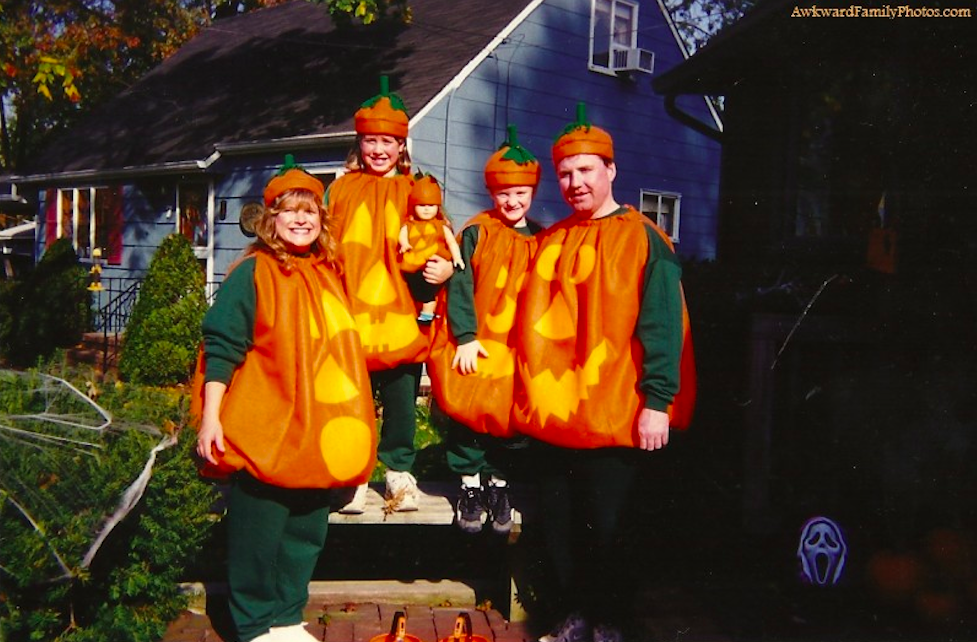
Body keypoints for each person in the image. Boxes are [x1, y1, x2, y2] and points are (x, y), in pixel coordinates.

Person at [513, 104, 696, 642]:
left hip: (618, 412)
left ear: (611, 170)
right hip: (557, 415)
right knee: (561, 526)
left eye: (586, 170)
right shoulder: (550, 240)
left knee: (612, 529)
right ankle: (573, 619)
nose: (574, 182)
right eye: (566, 173)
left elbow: (664, 325)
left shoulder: (644, 240)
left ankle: (610, 624)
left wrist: (657, 402)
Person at [193, 156, 377, 642]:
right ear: (270, 220)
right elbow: (222, 347)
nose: (300, 219)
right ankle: (253, 624)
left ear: (322, 219)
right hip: (265, 428)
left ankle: (286, 617)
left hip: (317, 432)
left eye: (309, 211)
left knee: (304, 533)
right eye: (288, 210)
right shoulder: (251, 274)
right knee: (259, 534)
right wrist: (211, 419)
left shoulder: (328, 273)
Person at [327, 76, 454, 513]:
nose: (379, 150)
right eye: (371, 141)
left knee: (402, 399)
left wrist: (443, 270)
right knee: (352, 397)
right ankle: (355, 472)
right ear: (360, 143)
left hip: (403, 312)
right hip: (352, 311)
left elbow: (439, 237)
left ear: (402, 145)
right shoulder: (341, 189)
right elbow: (327, 245)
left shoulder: (415, 190)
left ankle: (399, 469)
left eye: (388, 141)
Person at [427, 125, 542, 535]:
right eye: (504, 193)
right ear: (492, 194)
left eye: (520, 193)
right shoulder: (476, 233)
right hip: (476, 338)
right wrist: (464, 335)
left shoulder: (541, 238)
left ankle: (499, 484)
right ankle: (469, 484)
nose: (512, 201)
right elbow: (460, 282)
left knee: (508, 420)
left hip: (517, 344)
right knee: (469, 413)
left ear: (532, 193)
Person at [398, 173, 465, 323]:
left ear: (438, 207)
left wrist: (457, 258)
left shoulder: (440, 226)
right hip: (413, 262)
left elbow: (452, 243)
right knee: (413, 287)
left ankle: (428, 314)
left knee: (429, 290)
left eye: (431, 206)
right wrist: (404, 244)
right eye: (422, 206)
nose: (426, 210)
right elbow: (402, 235)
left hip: (433, 261)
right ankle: (419, 310)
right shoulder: (409, 225)